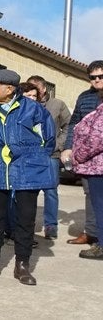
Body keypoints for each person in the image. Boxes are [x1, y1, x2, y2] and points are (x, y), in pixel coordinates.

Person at [0, 69, 55, 286]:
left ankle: (22, 264)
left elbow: (48, 141)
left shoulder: (34, 110)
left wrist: (31, 159)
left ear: (9, 89)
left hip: (27, 170)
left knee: (25, 218)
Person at [61, 61, 103, 247]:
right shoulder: (84, 97)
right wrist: (68, 147)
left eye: (101, 76)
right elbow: (73, 124)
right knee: (91, 195)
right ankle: (91, 233)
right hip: (89, 158)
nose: (97, 80)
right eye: (93, 77)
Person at [26, 75, 69, 240]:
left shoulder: (58, 105)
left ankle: (51, 226)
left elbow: (68, 126)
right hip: (31, 155)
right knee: (29, 192)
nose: (32, 91)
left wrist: (58, 144)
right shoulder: (26, 105)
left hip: (51, 155)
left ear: (44, 89)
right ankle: (27, 225)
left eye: (35, 88)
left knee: (50, 191)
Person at [70, 96, 103, 260]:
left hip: (98, 168)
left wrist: (78, 156)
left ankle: (101, 246)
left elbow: (95, 140)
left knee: (100, 207)